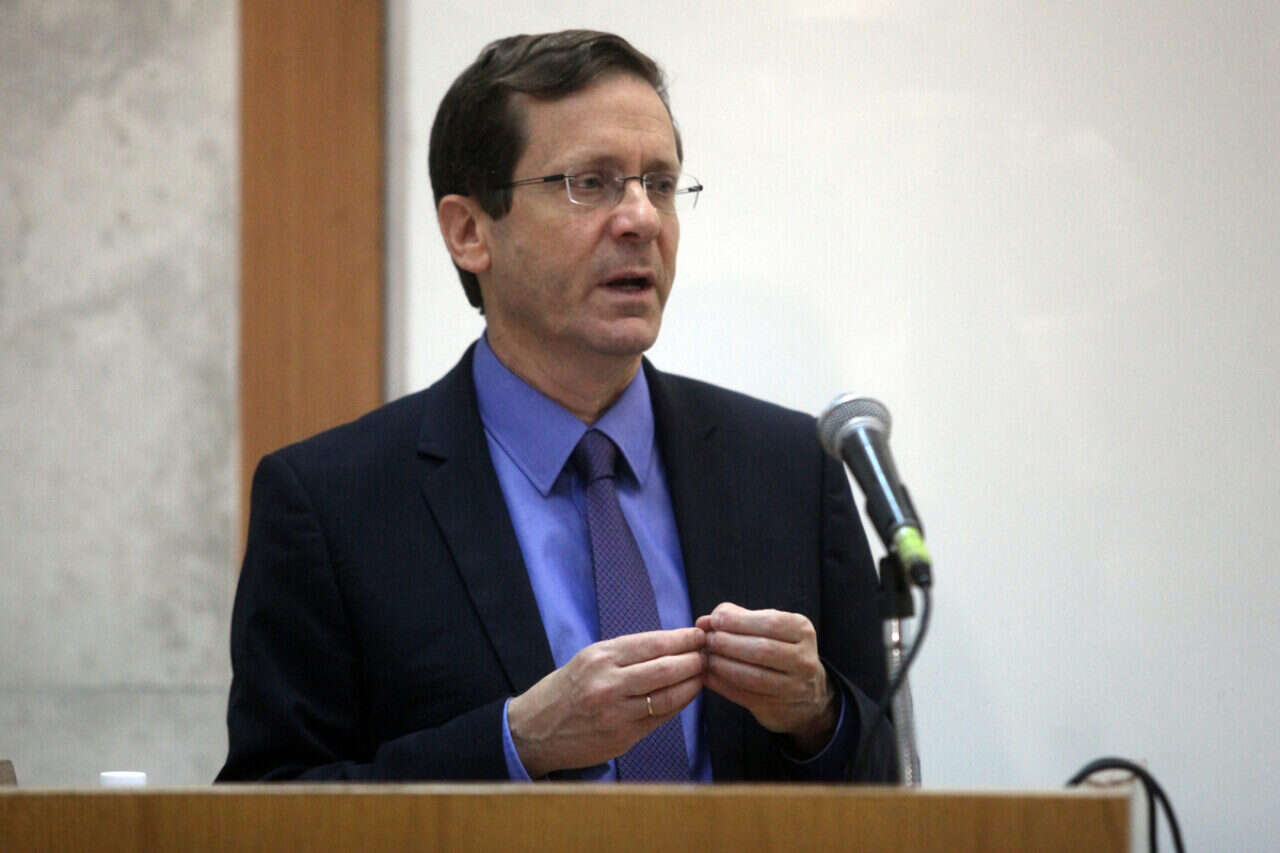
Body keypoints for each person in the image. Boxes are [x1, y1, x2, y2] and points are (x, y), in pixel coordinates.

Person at [217, 30, 895, 783]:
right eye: (590, 183)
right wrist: (514, 744)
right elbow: (266, 808)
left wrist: (817, 715)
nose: (641, 219)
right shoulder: (334, 504)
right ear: (469, 232)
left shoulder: (794, 470)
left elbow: (889, 779)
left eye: (660, 184)